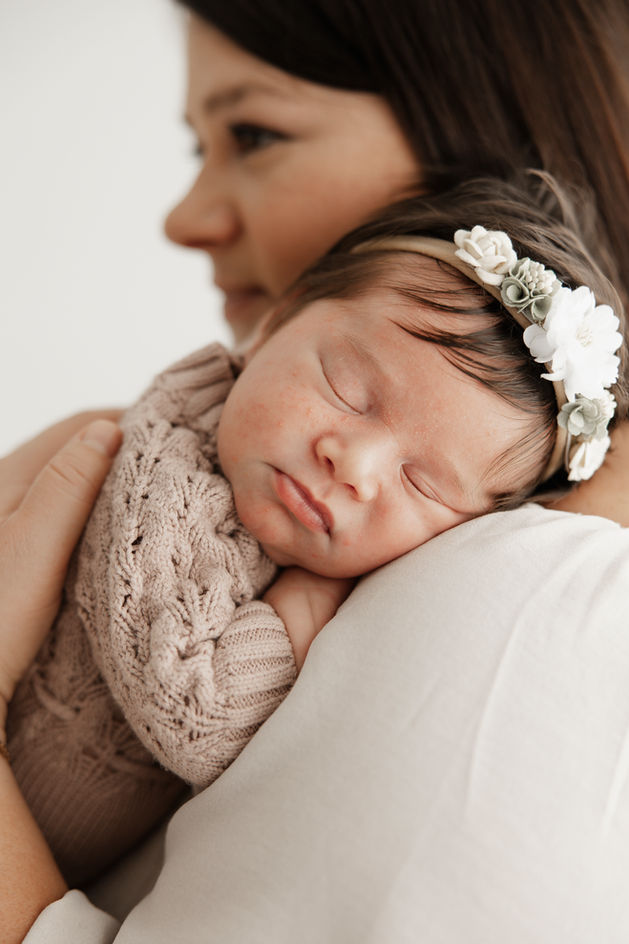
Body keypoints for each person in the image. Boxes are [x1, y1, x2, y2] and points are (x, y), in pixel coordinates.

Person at [2, 2, 629, 940]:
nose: (185, 218)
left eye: (254, 132)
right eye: (346, 385)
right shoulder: (175, 447)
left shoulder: (542, 588)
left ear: (481, 120)